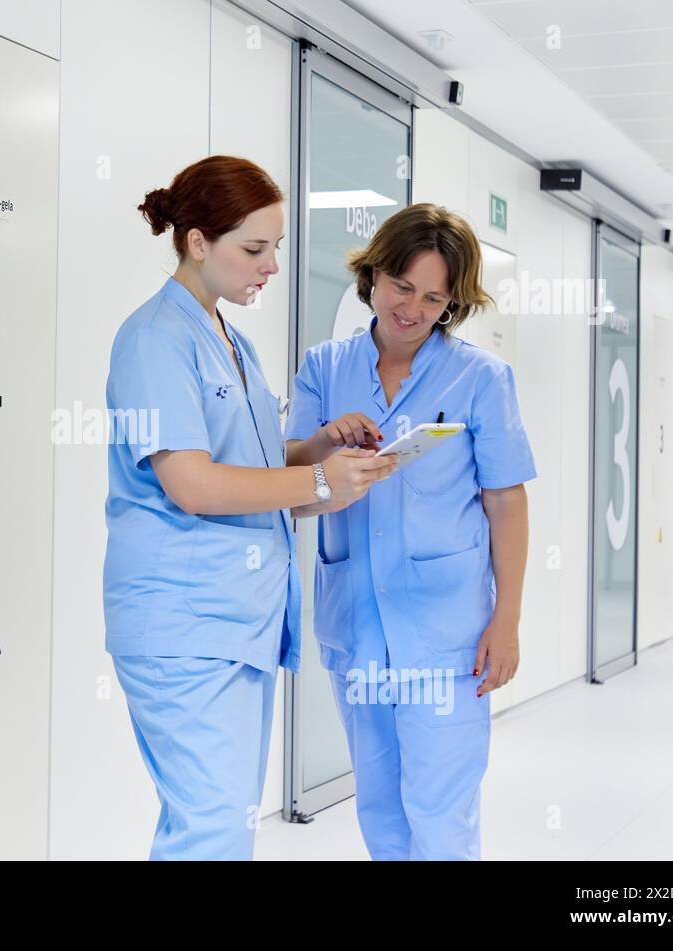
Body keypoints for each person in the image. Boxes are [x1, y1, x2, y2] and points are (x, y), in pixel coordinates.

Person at [103, 155, 397, 860]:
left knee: (223, 826)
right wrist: (322, 484)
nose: (270, 267)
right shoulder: (154, 340)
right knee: (210, 829)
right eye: (253, 249)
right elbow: (193, 483)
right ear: (197, 241)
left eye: (276, 249)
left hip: (235, 620)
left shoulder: (231, 340)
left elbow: (254, 468)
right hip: (183, 622)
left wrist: (320, 446)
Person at [285, 202, 535, 860]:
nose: (412, 309)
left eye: (433, 298)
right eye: (401, 287)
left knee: (440, 812)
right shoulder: (324, 367)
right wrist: (323, 440)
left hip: (448, 635)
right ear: (373, 275)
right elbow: (289, 483)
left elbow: (506, 501)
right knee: (381, 809)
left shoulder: (481, 378)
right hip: (357, 625)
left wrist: (506, 618)